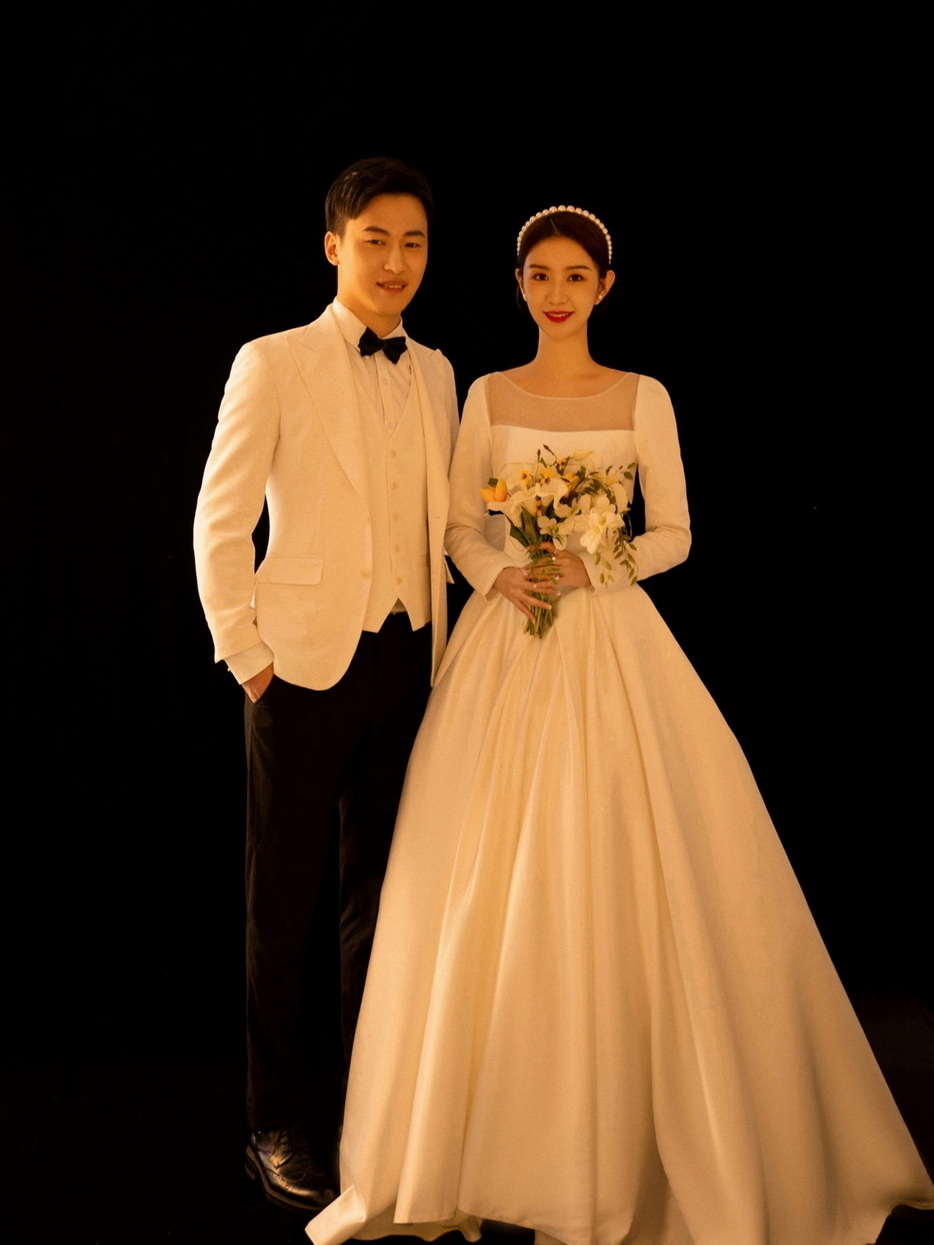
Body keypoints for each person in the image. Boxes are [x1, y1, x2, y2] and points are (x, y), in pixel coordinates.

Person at [307, 205, 934, 1245]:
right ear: (518, 285)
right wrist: (501, 573)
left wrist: (595, 564)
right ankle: (483, 1144)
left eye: (575, 276)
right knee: (478, 874)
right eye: (538, 275)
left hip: (612, 636)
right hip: (505, 642)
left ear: (604, 286)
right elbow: (458, 525)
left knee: (634, 857)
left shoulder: (645, 396)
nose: (556, 293)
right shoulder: (486, 393)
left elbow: (677, 532)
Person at [193, 156, 459, 1214]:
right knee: (284, 902)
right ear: (334, 246)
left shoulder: (438, 372)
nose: (396, 261)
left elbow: (448, 519)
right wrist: (247, 656)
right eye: (375, 240)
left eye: (414, 243)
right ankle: (273, 1121)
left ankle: (373, 1116)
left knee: (384, 900)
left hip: (409, 659)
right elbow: (219, 519)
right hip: (298, 668)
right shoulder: (272, 360)